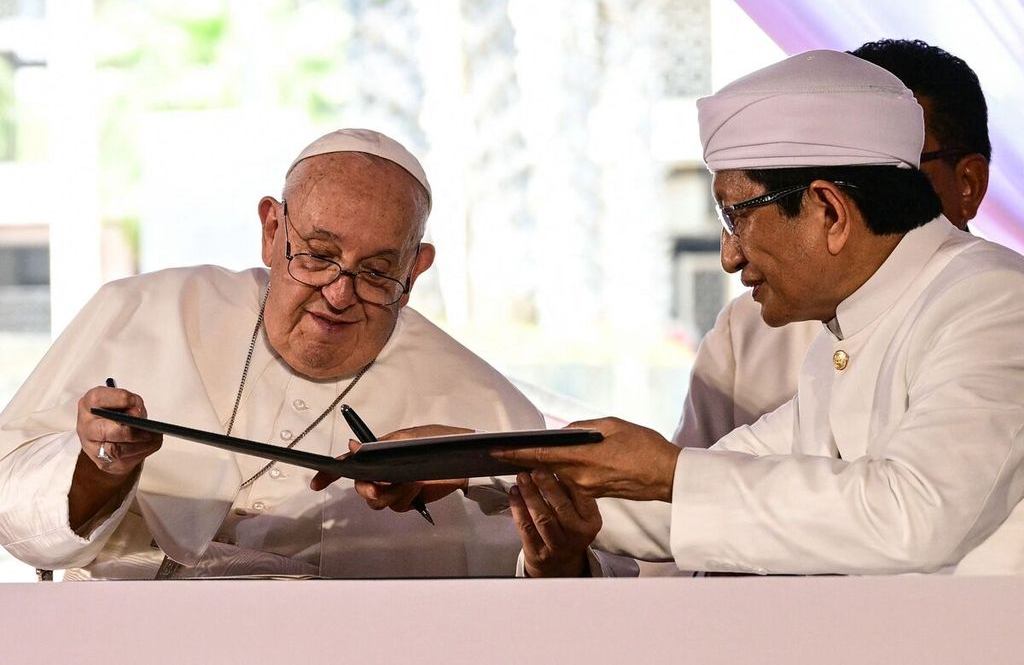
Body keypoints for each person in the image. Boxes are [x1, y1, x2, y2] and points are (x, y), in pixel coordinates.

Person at [385, 50, 1024, 576]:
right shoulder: (854, 333)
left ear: (828, 211)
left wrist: (668, 471)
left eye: (736, 214)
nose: (726, 255)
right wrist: (473, 464)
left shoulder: (991, 299)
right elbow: (699, 491)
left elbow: (912, 517)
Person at [0, 128, 545, 579]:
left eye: (378, 271)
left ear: (416, 268)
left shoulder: (483, 405)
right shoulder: (139, 310)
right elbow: (12, 506)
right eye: (318, 255)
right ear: (271, 229)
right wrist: (98, 471)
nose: (339, 292)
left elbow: (542, 577)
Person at [676, 39, 992, 450]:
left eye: (898, 169)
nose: (731, 258)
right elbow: (682, 492)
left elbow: (908, 504)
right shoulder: (753, 327)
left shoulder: (994, 302)